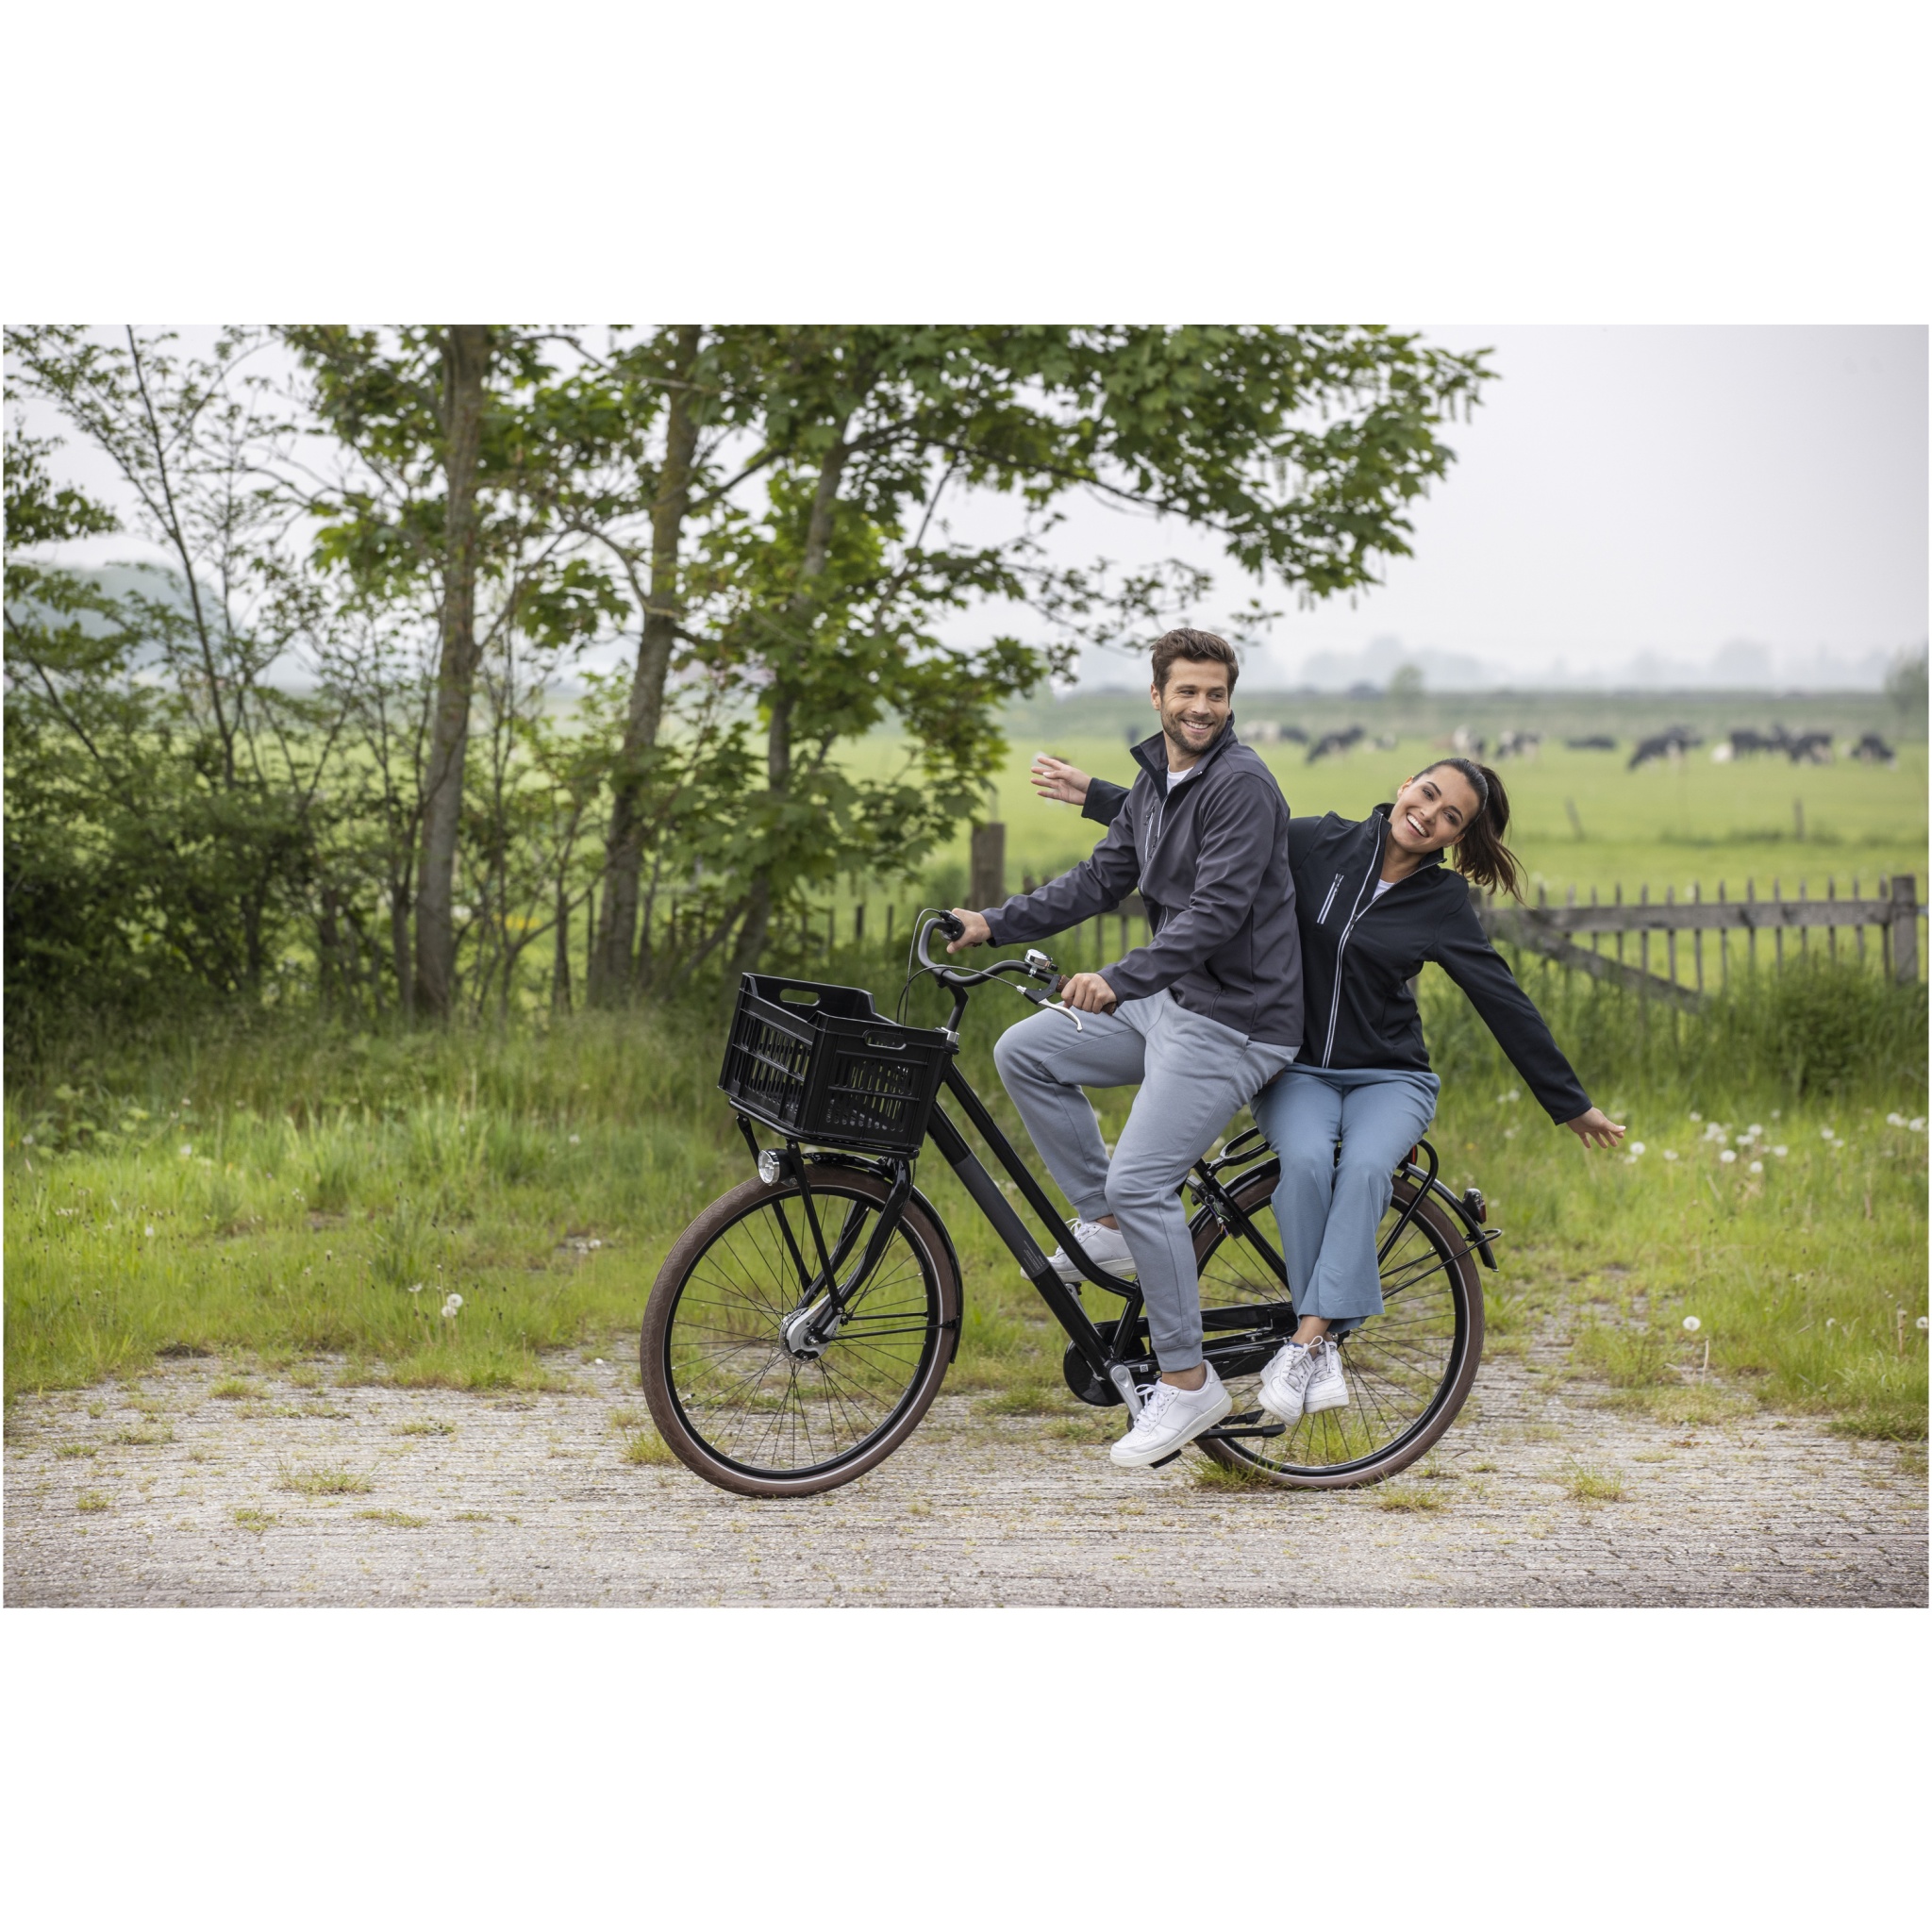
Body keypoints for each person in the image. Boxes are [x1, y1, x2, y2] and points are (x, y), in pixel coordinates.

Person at [1034, 750, 1624, 1427]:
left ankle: (1308, 1343)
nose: (1428, 815)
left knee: (1368, 1167)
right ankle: (1318, 1343)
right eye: (1428, 794)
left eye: (1450, 817)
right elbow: (1211, 831)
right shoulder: (1318, 842)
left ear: (1458, 838)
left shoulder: (1442, 902)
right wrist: (1100, 796)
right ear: (1406, 785)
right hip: (1299, 1069)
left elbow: (1500, 997)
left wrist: (1570, 1103)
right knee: (1309, 1163)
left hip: (1391, 1077)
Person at [946, 629, 1305, 1469]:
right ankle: (1104, 1222)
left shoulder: (1243, 786)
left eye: (1216, 694)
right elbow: (1099, 879)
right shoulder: (1154, 781)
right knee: (1027, 1053)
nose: (1202, 707)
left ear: (1229, 700)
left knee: (1145, 1182)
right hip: (1171, 1002)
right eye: (1188, 692)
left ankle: (1186, 1382)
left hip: (1236, 1019)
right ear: (1157, 697)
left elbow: (1215, 914)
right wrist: (993, 922)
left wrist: (1119, 978)